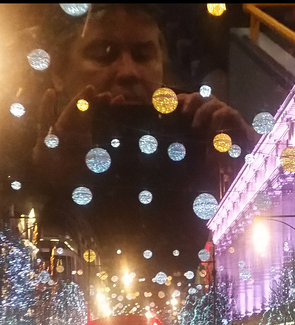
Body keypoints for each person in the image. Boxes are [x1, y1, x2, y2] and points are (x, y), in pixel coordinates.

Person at [29, 4, 258, 269]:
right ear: (58, 71)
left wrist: (243, 161)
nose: (128, 72)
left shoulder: (198, 139)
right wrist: (49, 180)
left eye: (142, 55)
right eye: (104, 55)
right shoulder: (33, 156)